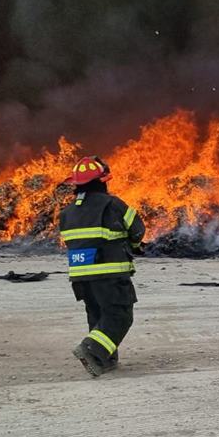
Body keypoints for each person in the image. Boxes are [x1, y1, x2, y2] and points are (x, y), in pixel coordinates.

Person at [58, 156, 146, 377]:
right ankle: (92, 350)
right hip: (109, 272)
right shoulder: (112, 204)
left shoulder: (66, 213)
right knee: (120, 315)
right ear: (102, 181)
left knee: (97, 314)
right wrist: (134, 246)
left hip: (80, 275)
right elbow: (137, 229)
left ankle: (106, 359)